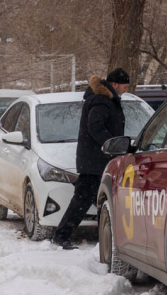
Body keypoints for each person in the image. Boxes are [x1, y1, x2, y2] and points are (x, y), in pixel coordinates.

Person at [51, 68, 130, 250]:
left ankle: (108, 238)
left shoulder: (106, 99)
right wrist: (110, 145)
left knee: (94, 200)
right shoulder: (102, 100)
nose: (125, 90)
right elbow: (95, 126)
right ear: (114, 84)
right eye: (124, 86)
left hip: (95, 160)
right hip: (95, 161)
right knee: (84, 200)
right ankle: (62, 236)